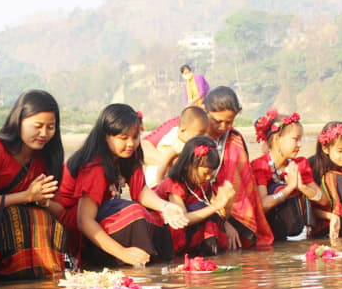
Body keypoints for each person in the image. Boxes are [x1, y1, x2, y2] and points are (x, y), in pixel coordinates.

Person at [56, 103, 188, 267]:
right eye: (123, 138)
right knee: (133, 212)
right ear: (105, 136)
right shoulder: (95, 165)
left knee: (157, 216)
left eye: (135, 137)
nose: (131, 144)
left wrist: (166, 207)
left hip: (98, 211)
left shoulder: (128, 155)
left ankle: (158, 267)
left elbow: (140, 191)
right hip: (75, 222)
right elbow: (84, 221)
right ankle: (131, 263)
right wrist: (122, 253)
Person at [145, 86, 274, 248]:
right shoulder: (188, 123)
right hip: (177, 196)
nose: (223, 127)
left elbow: (234, 186)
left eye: (229, 122)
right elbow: (145, 146)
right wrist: (179, 167)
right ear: (205, 111)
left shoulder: (233, 139)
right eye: (217, 121)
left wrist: (226, 218)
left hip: (210, 201)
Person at [0, 90, 67, 281]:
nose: (44, 133)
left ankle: (47, 283)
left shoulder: (47, 157)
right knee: (20, 215)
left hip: (30, 226)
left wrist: (42, 201)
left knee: (43, 218)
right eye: (38, 126)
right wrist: (26, 197)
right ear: (18, 121)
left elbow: (59, 209)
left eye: (50, 127)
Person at [251, 110, 329, 241]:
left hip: (299, 234)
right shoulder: (260, 166)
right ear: (276, 139)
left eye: (301, 139)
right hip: (272, 234)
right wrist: (289, 188)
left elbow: (323, 200)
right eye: (295, 139)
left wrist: (302, 187)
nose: (300, 144)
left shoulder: (299, 164)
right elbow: (263, 205)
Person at [153, 136, 235, 256]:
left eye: (211, 174)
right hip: (166, 233)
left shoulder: (202, 183)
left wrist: (228, 204)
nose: (208, 178)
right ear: (188, 165)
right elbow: (182, 219)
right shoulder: (174, 184)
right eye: (205, 173)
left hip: (189, 231)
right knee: (203, 208)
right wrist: (217, 205)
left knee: (210, 215)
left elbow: (219, 213)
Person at [144, 106, 208, 187]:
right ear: (183, 131)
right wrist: (160, 184)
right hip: (156, 178)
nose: (201, 138)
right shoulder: (176, 143)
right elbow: (163, 162)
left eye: (204, 134)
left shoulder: (186, 139)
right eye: (199, 135)